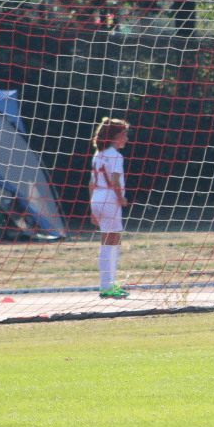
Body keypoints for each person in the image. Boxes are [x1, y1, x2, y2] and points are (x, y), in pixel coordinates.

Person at [91, 117, 131, 299]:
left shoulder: (98, 155)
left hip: (97, 198)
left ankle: (108, 284)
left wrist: (92, 210)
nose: (126, 139)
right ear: (115, 136)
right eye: (124, 135)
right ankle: (107, 286)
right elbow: (115, 181)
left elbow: (91, 183)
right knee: (112, 242)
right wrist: (121, 198)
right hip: (109, 198)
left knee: (107, 241)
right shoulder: (115, 155)